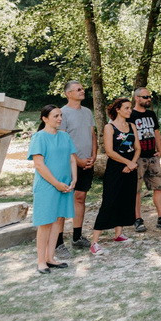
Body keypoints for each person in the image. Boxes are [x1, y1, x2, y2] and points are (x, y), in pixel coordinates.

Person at [27, 105, 77, 274]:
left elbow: (72, 159)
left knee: (58, 220)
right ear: (45, 118)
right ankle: (41, 261)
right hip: (47, 186)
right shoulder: (39, 137)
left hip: (65, 184)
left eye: (60, 115)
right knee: (45, 222)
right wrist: (56, 183)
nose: (60, 118)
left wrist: (74, 178)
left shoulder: (65, 136)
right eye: (56, 116)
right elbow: (39, 165)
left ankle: (50, 257)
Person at [90, 98, 141, 255]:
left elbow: (138, 148)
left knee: (126, 199)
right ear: (118, 109)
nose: (130, 110)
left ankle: (118, 234)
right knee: (109, 201)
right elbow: (110, 152)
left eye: (130, 108)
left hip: (131, 168)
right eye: (126, 108)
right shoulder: (109, 127)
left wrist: (132, 163)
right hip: (115, 168)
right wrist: (127, 163)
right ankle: (94, 242)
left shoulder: (132, 126)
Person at [59, 80, 97, 256]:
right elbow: (63, 141)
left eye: (82, 88)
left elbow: (92, 135)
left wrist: (94, 155)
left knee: (80, 198)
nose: (83, 91)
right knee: (63, 201)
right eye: (78, 89)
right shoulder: (62, 113)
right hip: (69, 163)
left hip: (87, 162)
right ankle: (58, 242)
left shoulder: (87, 112)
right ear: (68, 94)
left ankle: (77, 236)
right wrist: (77, 160)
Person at [130, 87, 161, 232]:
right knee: (136, 190)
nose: (148, 99)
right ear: (137, 98)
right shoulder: (130, 115)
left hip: (152, 157)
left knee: (158, 187)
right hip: (137, 158)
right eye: (145, 97)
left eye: (149, 96)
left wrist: (160, 149)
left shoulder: (151, 114)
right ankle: (137, 219)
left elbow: (156, 132)